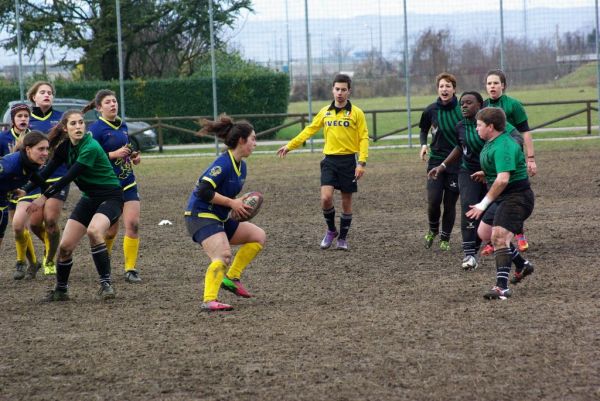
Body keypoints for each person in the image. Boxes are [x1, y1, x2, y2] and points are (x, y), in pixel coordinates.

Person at [23, 110, 124, 301]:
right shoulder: (65, 148)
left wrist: (44, 196)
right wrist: (24, 189)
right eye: (73, 124)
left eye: (80, 123)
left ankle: (106, 285)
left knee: (94, 231)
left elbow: (70, 176)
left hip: (110, 197)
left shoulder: (91, 146)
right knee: (65, 248)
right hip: (89, 198)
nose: (78, 127)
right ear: (65, 128)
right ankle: (61, 290)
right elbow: (45, 173)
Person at [277, 73, 368, 251]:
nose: (340, 93)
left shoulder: (356, 113)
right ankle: (331, 230)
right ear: (332, 90)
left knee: (346, 201)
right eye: (337, 89)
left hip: (349, 161)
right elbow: (309, 130)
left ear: (349, 91)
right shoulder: (325, 112)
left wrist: (361, 162)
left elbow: (364, 138)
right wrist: (290, 146)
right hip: (329, 161)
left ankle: (342, 238)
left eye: (343, 90)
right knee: (325, 198)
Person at [184, 115, 266, 312]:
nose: (255, 143)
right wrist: (233, 203)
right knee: (223, 254)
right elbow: (202, 191)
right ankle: (209, 300)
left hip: (218, 217)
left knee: (258, 236)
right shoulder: (224, 163)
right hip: (200, 215)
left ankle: (231, 278)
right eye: (253, 138)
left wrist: (236, 207)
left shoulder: (241, 167)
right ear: (241, 140)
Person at [466, 108, 535, 300]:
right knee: (485, 233)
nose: (476, 128)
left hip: (517, 197)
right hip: (504, 197)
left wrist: (483, 203)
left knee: (498, 237)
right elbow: (499, 171)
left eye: (479, 125)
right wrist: (486, 173)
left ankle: (502, 287)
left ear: (491, 126)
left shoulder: (504, 145)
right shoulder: (491, 141)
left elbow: (503, 180)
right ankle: (522, 265)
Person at [86, 89, 142, 284]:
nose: (113, 104)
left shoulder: (122, 125)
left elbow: (124, 150)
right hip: (108, 186)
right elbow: (91, 157)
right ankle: (105, 263)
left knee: (133, 225)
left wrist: (132, 156)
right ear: (99, 108)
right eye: (108, 102)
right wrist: (113, 154)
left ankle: (130, 269)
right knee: (110, 231)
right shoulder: (96, 130)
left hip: (128, 183)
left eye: (114, 101)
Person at [484, 69, 535, 253]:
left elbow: (526, 131)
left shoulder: (513, 105)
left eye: (496, 83)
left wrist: (530, 158)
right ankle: (494, 238)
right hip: (493, 160)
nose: (492, 86)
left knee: (513, 194)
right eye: (489, 83)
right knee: (497, 195)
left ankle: (518, 234)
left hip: (513, 159)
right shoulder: (483, 107)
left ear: (503, 85)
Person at [27, 81, 68, 275]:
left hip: (58, 175)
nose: (46, 95)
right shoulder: (26, 120)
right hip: (35, 178)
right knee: (35, 224)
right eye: (42, 92)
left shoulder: (61, 119)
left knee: (50, 220)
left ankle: (50, 259)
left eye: (50, 92)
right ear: (33, 97)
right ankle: (51, 246)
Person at [419, 72, 462, 251]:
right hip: (436, 160)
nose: (444, 89)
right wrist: (423, 145)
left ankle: (445, 238)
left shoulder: (462, 109)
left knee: (450, 203)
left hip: (457, 163)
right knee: (434, 199)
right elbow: (423, 129)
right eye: (441, 86)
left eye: (448, 86)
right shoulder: (431, 110)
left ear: (454, 89)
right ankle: (433, 229)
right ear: (437, 89)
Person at [0, 131, 49, 279]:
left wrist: (24, 190)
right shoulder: (8, 165)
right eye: (41, 149)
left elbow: (41, 182)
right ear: (28, 149)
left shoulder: (30, 165)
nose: (46, 153)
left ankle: (32, 263)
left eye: (47, 149)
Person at [0, 103, 39, 280]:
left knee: (19, 224)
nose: (23, 119)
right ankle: (33, 262)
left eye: (26, 116)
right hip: (8, 187)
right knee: (19, 226)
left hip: (27, 187)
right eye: (19, 116)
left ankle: (20, 261)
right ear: (13, 119)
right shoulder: (3, 138)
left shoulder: (34, 138)